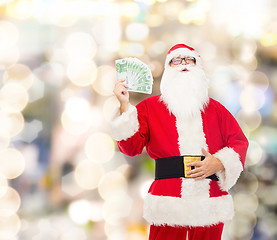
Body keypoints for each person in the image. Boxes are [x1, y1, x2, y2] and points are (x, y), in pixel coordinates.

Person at [110, 43, 249, 240]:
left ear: (198, 68)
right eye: (177, 60)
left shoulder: (216, 110)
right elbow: (131, 148)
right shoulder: (150, 108)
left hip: (208, 201)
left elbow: (239, 142)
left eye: (189, 60)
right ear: (168, 69)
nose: (183, 64)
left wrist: (219, 162)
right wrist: (124, 106)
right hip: (168, 202)